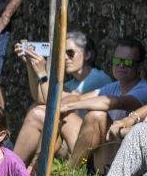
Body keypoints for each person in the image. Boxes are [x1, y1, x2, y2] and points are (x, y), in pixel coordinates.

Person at [10, 30, 113, 162]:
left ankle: (10, 168)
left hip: (91, 147)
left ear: (87, 55)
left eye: (70, 53)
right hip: (74, 139)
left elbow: (57, 103)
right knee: (36, 108)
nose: (64, 57)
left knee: (38, 113)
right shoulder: (72, 83)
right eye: (62, 53)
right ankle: (13, 168)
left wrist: (41, 73)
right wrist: (30, 66)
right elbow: (41, 99)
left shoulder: (97, 78)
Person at [64, 37, 147, 165]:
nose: (121, 65)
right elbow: (80, 98)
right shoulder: (113, 87)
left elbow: (114, 102)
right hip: (102, 151)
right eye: (117, 60)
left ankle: (71, 171)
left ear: (139, 66)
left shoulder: (145, 92)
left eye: (127, 62)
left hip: (124, 158)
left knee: (97, 115)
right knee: (60, 115)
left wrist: (69, 105)